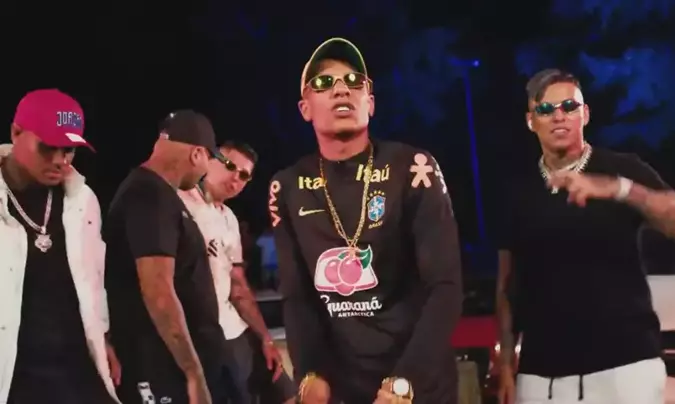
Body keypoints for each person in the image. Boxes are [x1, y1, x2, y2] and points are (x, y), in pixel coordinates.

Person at [268, 37, 463, 404]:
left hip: (419, 386)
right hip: (346, 389)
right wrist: (310, 373)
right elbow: (297, 297)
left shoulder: (413, 168)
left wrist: (405, 381)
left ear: (370, 104)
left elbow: (446, 286)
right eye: (324, 83)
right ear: (305, 108)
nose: (342, 89)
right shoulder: (287, 185)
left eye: (355, 82)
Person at [494, 69, 675, 404]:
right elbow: (507, 286)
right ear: (531, 121)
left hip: (625, 368)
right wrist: (506, 363)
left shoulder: (622, 168)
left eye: (569, 106)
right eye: (545, 109)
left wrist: (619, 189)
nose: (559, 116)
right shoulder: (517, 191)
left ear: (585, 114)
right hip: (541, 375)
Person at [0, 89, 119, 403]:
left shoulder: (82, 199)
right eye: (47, 147)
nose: (59, 160)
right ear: (15, 133)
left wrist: (102, 337)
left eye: (68, 150)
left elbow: (93, 278)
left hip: (76, 370)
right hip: (14, 376)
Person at [104, 110, 227, 404]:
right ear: (197, 154)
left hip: (168, 366)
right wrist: (193, 372)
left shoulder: (156, 192)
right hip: (160, 368)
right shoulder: (150, 195)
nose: (206, 172)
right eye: (209, 160)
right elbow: (158, 291)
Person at [178, 140, 297, 404]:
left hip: (235, 327)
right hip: (200, 334)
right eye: (230, 166)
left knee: (286, 392)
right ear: (209, 159)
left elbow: (238, 285)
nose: (235, 177)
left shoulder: (229, 218)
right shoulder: (179, 204)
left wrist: (265, 338)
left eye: (244, 175)